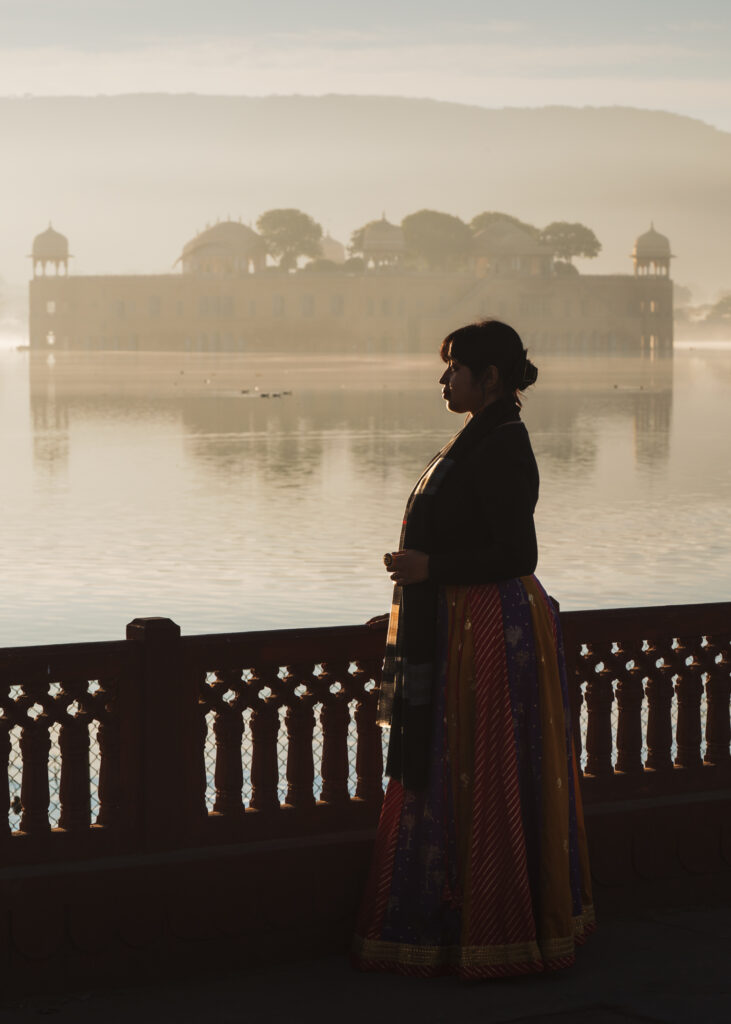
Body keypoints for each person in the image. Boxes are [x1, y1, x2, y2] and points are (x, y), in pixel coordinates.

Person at [353, 319, 594, 979]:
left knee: (478, 772)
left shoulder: (503, 444)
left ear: (488, 378)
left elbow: (517, 554)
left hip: (487, 626)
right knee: (451, 767)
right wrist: (415, 593)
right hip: (458, 617)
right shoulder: (478, 437)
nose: (443, 379)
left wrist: (430, 571)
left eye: (453, 368)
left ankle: (492, 929)